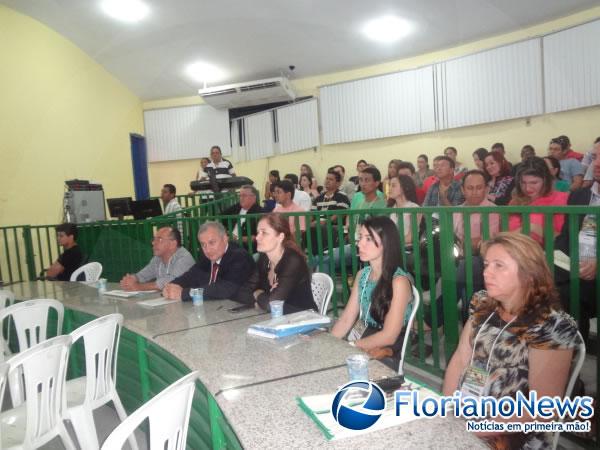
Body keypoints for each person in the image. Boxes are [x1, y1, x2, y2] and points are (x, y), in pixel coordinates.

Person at [442, 232, 581, 450]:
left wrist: (472, 429)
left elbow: (544, 408)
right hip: (470, 414)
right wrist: (448, 411)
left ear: (529, 273)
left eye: (499, 265)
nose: (487, 272)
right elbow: (461, 357)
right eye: (487, 264)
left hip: (513, 435)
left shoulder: (551, 327)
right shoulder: (483, 303)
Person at [331, 216, 413, 362]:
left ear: (386, 243)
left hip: (386, 350)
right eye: (360, 237)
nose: (360, 244)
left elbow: (389, 335)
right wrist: (329, 344)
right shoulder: (362, 275)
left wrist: (349, 347)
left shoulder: (398, 281)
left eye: (368, 239)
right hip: (364, 336)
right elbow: (346, 320)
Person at [554, 142, 599, 345]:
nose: (596, 164)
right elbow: (565, 237)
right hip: (574, 269)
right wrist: (568, 262)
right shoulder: (579, 196)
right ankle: (570, 367)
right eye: (595, 158)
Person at [235, 213, 317, 314]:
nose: (257, 237)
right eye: (258, 232)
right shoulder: (265, 258)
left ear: (280, 237)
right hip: (279, 319)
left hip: (304, 319)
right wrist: (264, 298)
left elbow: (272, 305)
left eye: (264, 233)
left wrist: (258, 293)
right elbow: (243, 291)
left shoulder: (293, 261)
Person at [162, 222, 255, 301]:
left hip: (244, 312)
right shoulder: (207, 256)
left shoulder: (239, 257)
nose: (207, 249)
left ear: (225, 238)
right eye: (203, 244)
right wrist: (171, 285)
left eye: (212, 242)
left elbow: (224, 289)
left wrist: (184, 293)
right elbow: (192, 275)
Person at [453, 171, 500, 318]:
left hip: (481, 260)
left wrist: (461, 244)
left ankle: (435, 318)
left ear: (486, 189)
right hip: (457, 257)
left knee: (467, 267)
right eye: (470, 188)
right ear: (462, 189)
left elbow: (484, 243)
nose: (474, 192)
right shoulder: (455, 211)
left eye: (479, 188)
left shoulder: (492, 210)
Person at [508, 156, 568, 244]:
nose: (528, 188)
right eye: (523, 183)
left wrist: (535, 228)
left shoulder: (563, 200)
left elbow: (567, 241)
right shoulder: (515, 201)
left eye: (534, 182)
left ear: (546, 180)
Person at [120, 226, 195, 291]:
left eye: (159, 239)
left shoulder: (184, 258)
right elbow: (144, 275)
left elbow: (171, 281)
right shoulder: (158, 258)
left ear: (173, 244)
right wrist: (131, 279)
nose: (153, 243)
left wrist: (138, 287)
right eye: (154, 239)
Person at [221, 185, 264, 251]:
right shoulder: (236, 207)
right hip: (228, 242)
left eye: (244, 196)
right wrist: (226, 232)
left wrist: (238, 239)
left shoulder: (260, 212)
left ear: (253, 197)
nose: (241, 198)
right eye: (240, 196)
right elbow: (220, 217)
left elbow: (258, 237)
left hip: (246, 247)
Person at [387, 174, 421, 245]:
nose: (389, 188)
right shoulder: (391, 208)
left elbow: (411, 237)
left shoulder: (414, 208)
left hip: (408, 250)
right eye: (389, 185)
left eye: (393, 185)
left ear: (404, 188)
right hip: (393, 248)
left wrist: (390, 243)